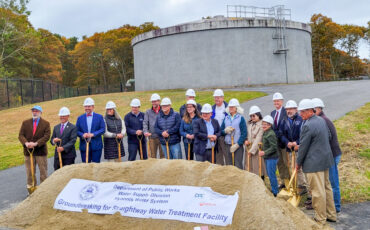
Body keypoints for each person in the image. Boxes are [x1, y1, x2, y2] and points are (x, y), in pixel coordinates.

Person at [296, 99, 336, 224]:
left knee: (317, 192)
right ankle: (331, 215)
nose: (300, 114)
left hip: (313, 164)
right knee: (327, 188)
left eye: (302, 112)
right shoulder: (321, 120)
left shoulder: (307, 125)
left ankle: (320, 218)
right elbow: (329, 136)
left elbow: (303, 147)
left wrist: (298, 163)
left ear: (309, 111)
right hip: (325, 160)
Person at [312, 98, 342, 213]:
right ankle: (332, 206)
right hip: (329, 154)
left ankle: (336, 207)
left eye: (314, 109)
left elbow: (327, 139)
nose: (313, 112)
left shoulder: (323, 120)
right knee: (329, 182)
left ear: (319, 109)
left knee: (333, 182)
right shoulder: (321, 119)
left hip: (332, 155)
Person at [18, 105, 51, 193]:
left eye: (37, 111)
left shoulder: (46, 123)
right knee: (30, 172)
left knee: (43, 172)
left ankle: (44, 191)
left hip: (40, 152)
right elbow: (21, 135)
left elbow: (47, 136)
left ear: (41, 112)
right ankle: (31, 190)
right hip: (28, 152)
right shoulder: (25, 123)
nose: (35, 112)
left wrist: (36, 144)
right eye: (33, 111)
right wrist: (26, 143)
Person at [278, 100, 307, 194]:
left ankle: (302, 186)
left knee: (299, 167)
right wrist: (287, 142)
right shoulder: (284, 120)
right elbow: (281, 134)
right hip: (290, 149)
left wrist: (296, 142)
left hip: (299, 147)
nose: (289, 111)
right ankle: (296, 185)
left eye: (291, 109)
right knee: (292, 167)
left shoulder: (300, 119)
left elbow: (304, 134)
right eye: (287, 109)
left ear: (296, 109)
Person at [76, 97, 105, 163]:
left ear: (93, 106)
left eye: (89, 106)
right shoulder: (80, 118)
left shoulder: (99, 117)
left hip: (96, 146)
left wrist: (93, 134)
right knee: (85, 167)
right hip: (84, 146)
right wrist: (82, 135)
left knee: (96, 166)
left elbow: (103, 129)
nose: (87, 108)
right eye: (85, 106)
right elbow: (76, 131)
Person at [220, 98, 247, 169]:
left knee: (238, 165)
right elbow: (220, 131)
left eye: (232, 107)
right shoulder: (226, 118)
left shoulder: (241, 118)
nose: (230, 108)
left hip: (237, 146)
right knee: (229, 166)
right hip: (227, 145)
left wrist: (237, 144)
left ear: (236, 108)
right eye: (229, 107)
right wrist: (225, 131)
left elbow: (244, 133)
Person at [270, 92, 289, 189]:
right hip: (276, 143)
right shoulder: (272, 113)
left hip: (285, 142)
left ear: (282, 101)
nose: (276, 102)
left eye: (278, 101)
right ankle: (284, 181)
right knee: (280, 163)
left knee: (287, 163)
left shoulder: (286, 112)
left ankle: (291, 181)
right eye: (275, 101)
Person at [259, 115, 279, 196]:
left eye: (266, 124)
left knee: (271, 175)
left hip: (272, 158)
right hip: (268, 157)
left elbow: (274, 147)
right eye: (263, 124)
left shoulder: (271, 134)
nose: (264, 126)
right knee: (270, 174)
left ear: (270, 125)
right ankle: (273, 189)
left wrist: (264, 152)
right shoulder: (266, 132)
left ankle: (275, 192)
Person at [245, 106, 266, 177]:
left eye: (254, 115)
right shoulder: (250, 124)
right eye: (251, 116)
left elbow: (258, 138)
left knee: (258, 168)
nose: (252, 117)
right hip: (249, 148)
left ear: (258, 115)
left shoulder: (262, 125)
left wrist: (252, 151)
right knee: (250, 168)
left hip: (257, 149)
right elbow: (247, 135)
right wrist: (246, 140)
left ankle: (261, 183)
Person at [143, 93, 165, 159]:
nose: (153, 103)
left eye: (155, 101)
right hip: (152, 137)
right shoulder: (148, 112)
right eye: (152, 101)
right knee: (152, 157)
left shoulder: (163, 110)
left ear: (159, 101)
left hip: (162, 136)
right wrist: (145, 131)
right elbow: (145, 123)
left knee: (163, 156)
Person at [211, 89, 229, 165]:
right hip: (216, 136)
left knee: (227, 156)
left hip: (225, 135)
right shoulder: (212, 108)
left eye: (218, 97)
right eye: (215, 97)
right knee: (218, 157)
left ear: (222, 98)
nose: (216, 99)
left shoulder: (227, 108)